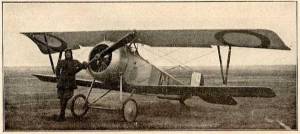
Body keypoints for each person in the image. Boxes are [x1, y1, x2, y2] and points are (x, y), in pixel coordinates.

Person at [55, 49, 88, 122]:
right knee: (61, 98)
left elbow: (83, 66)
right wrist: (58, 78)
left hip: (70, 83)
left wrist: (85, 64)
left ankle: (61, 115)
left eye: (69, 53)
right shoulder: (61, 62)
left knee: (65, 98)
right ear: (65, 54)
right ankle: (62, 115)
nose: (67, 54)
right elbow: (57, 70)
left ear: (71, 54)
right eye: (66, 53)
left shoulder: (75, 62)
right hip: (62, 82)